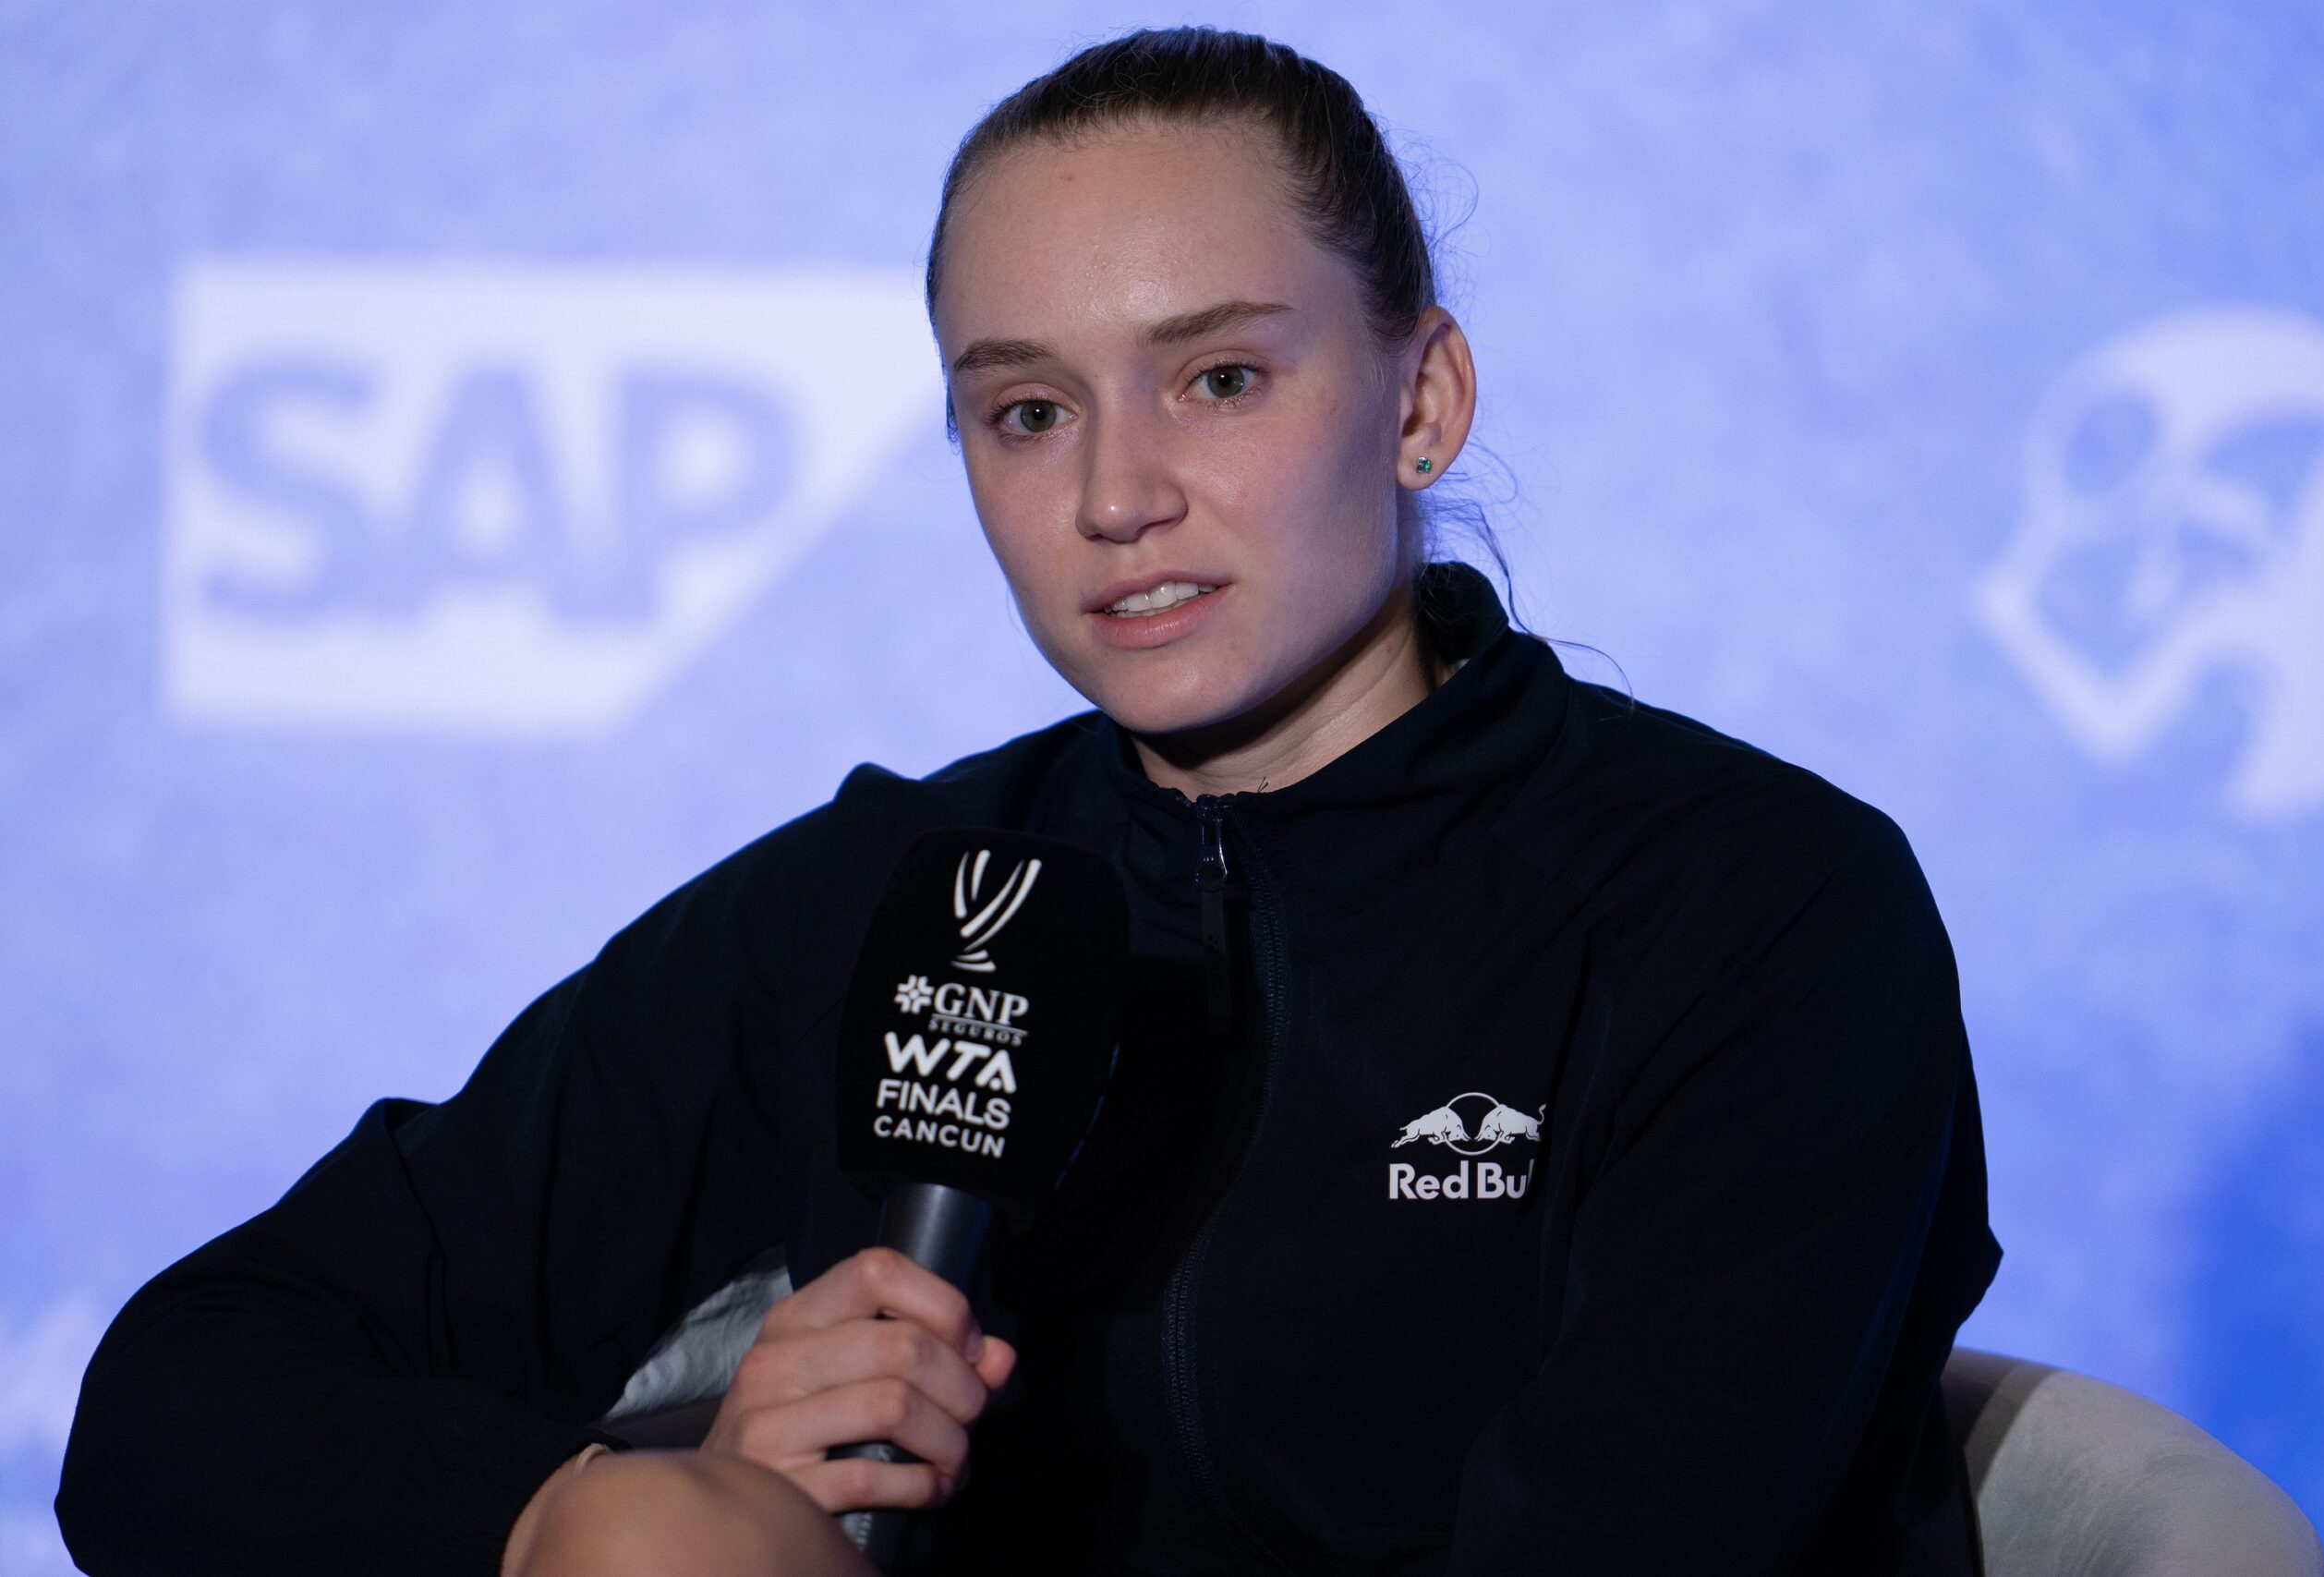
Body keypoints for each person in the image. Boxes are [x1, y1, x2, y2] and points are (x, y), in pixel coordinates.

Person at [57, 27, 2001, 1577]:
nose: (1112, 496)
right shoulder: (894, 895)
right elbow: (177, 1398)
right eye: (1025, 410)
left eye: (1219, 378)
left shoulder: (1753, 908)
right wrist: (599, 1505)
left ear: (1420, 399)